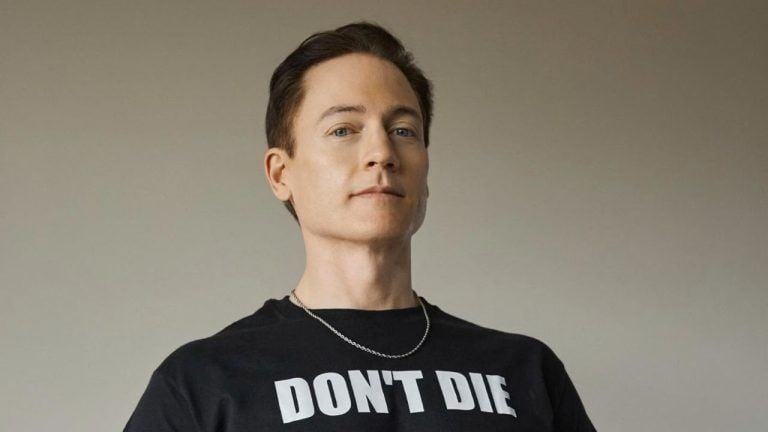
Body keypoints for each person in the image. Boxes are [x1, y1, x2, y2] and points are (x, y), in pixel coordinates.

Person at [123, 21, 597, 431]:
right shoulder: (204, 381)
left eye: (403, 130)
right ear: (281, 174)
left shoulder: (524, 371)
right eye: (343, 130)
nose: (382, 153)